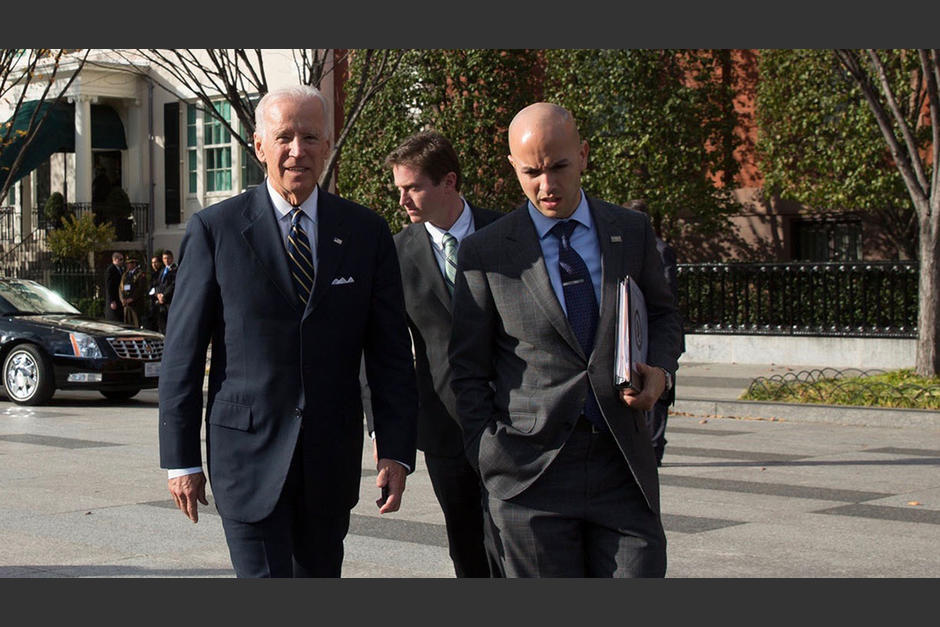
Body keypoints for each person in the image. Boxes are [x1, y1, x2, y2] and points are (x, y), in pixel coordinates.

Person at [158, 85, 418, 578]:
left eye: (310, 137)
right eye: (284, 137)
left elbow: (389, 355)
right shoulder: (216, 230)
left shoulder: (365, 232)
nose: (297, 150)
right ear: (259, 147)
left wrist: (396, 450)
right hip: (246, 459)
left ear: (326, 145)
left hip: (330, 460)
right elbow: (182, 356)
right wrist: (181, 460)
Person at [449, 102, 683, 577]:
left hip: (622, 462)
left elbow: (663, 316)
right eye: (531, 172)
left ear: (583, 155)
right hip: (529, 473)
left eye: (558, 167)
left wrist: (659, 372)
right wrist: (489, 452)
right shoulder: (486, 251)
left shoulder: (630, 231)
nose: (547, 185)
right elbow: (467, 367)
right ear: (513, 167)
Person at [383, 130, 504, 577]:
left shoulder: (508, 233)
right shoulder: (395, 254)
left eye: (412, 187)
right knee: (467, 549)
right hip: (444, 427)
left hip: (515, 420)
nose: (403, 200)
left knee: (519, 545)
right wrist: (386, 434)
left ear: (448, 181)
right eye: (399, 189)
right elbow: (384, 350)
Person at [624, 199, 685, 466]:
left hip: (655, 334)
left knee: (659, 391)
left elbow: (666, 299)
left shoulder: (659, 250)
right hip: (635, 332)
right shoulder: (625, 248)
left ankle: (655, 446)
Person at [119, 256, 147, 327]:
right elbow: (120, 288)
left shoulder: (140, 274)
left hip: (136, 304)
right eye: (127, 263)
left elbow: (141, 288)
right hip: (126, 304)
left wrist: (131, 299)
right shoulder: (125, 275)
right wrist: (122, 299)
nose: (128, 265)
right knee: (127, 325)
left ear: (134, 264)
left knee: (137, 324)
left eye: (130, 263)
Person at [154, 249, 177, 334]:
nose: (166, 260)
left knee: (170, 323)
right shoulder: (162, 270)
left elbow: (173, 285)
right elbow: (157, 284)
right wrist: (158, 295)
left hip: (169, 301)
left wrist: (164, 295)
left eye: (168, 258)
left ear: (172, 259)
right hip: (161, 302)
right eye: (164, 258)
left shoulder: (175, 270)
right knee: (162, 324)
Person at [104, 251, 125, 322]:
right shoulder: (111, 270)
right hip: (114, 299)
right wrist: (112, 301)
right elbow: (109, 286)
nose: (122, 261)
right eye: (121, 259)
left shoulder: (121, 269)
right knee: (114, 318)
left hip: (119, 298)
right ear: (115, 259)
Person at [145, 255, 164, 332]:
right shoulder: (153, 274)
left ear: (160, 263)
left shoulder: (162, 273)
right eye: (152, 263)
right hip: (152, 301)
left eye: (156, 262)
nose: (154, 264)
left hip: (160, 301)